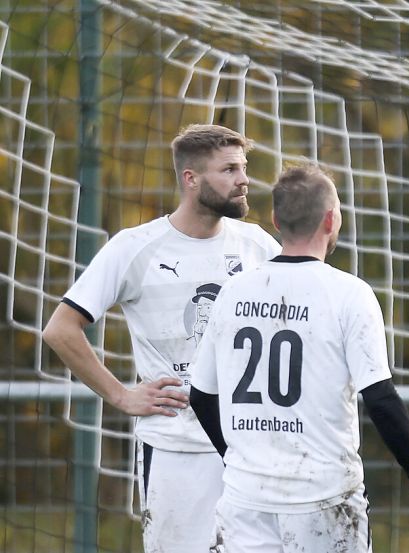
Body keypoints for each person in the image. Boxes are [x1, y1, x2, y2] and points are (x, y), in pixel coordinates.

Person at [41, 124, 281, 552]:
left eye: (244, 167)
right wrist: (120, 395)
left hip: (254, 451)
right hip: (177, 450)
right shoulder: (134, 247)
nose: (244, 179)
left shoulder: (258, 247)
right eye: (229, 169)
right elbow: (60, 329)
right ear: (191, 179)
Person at [188, 164, 409, 551]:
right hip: (323, 498)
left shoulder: (233, 292)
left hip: (244, 500)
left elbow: (202, 396)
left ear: (274, 219)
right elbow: (380, 398)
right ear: (330, 219)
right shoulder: (349, 294)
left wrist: (240, 458)